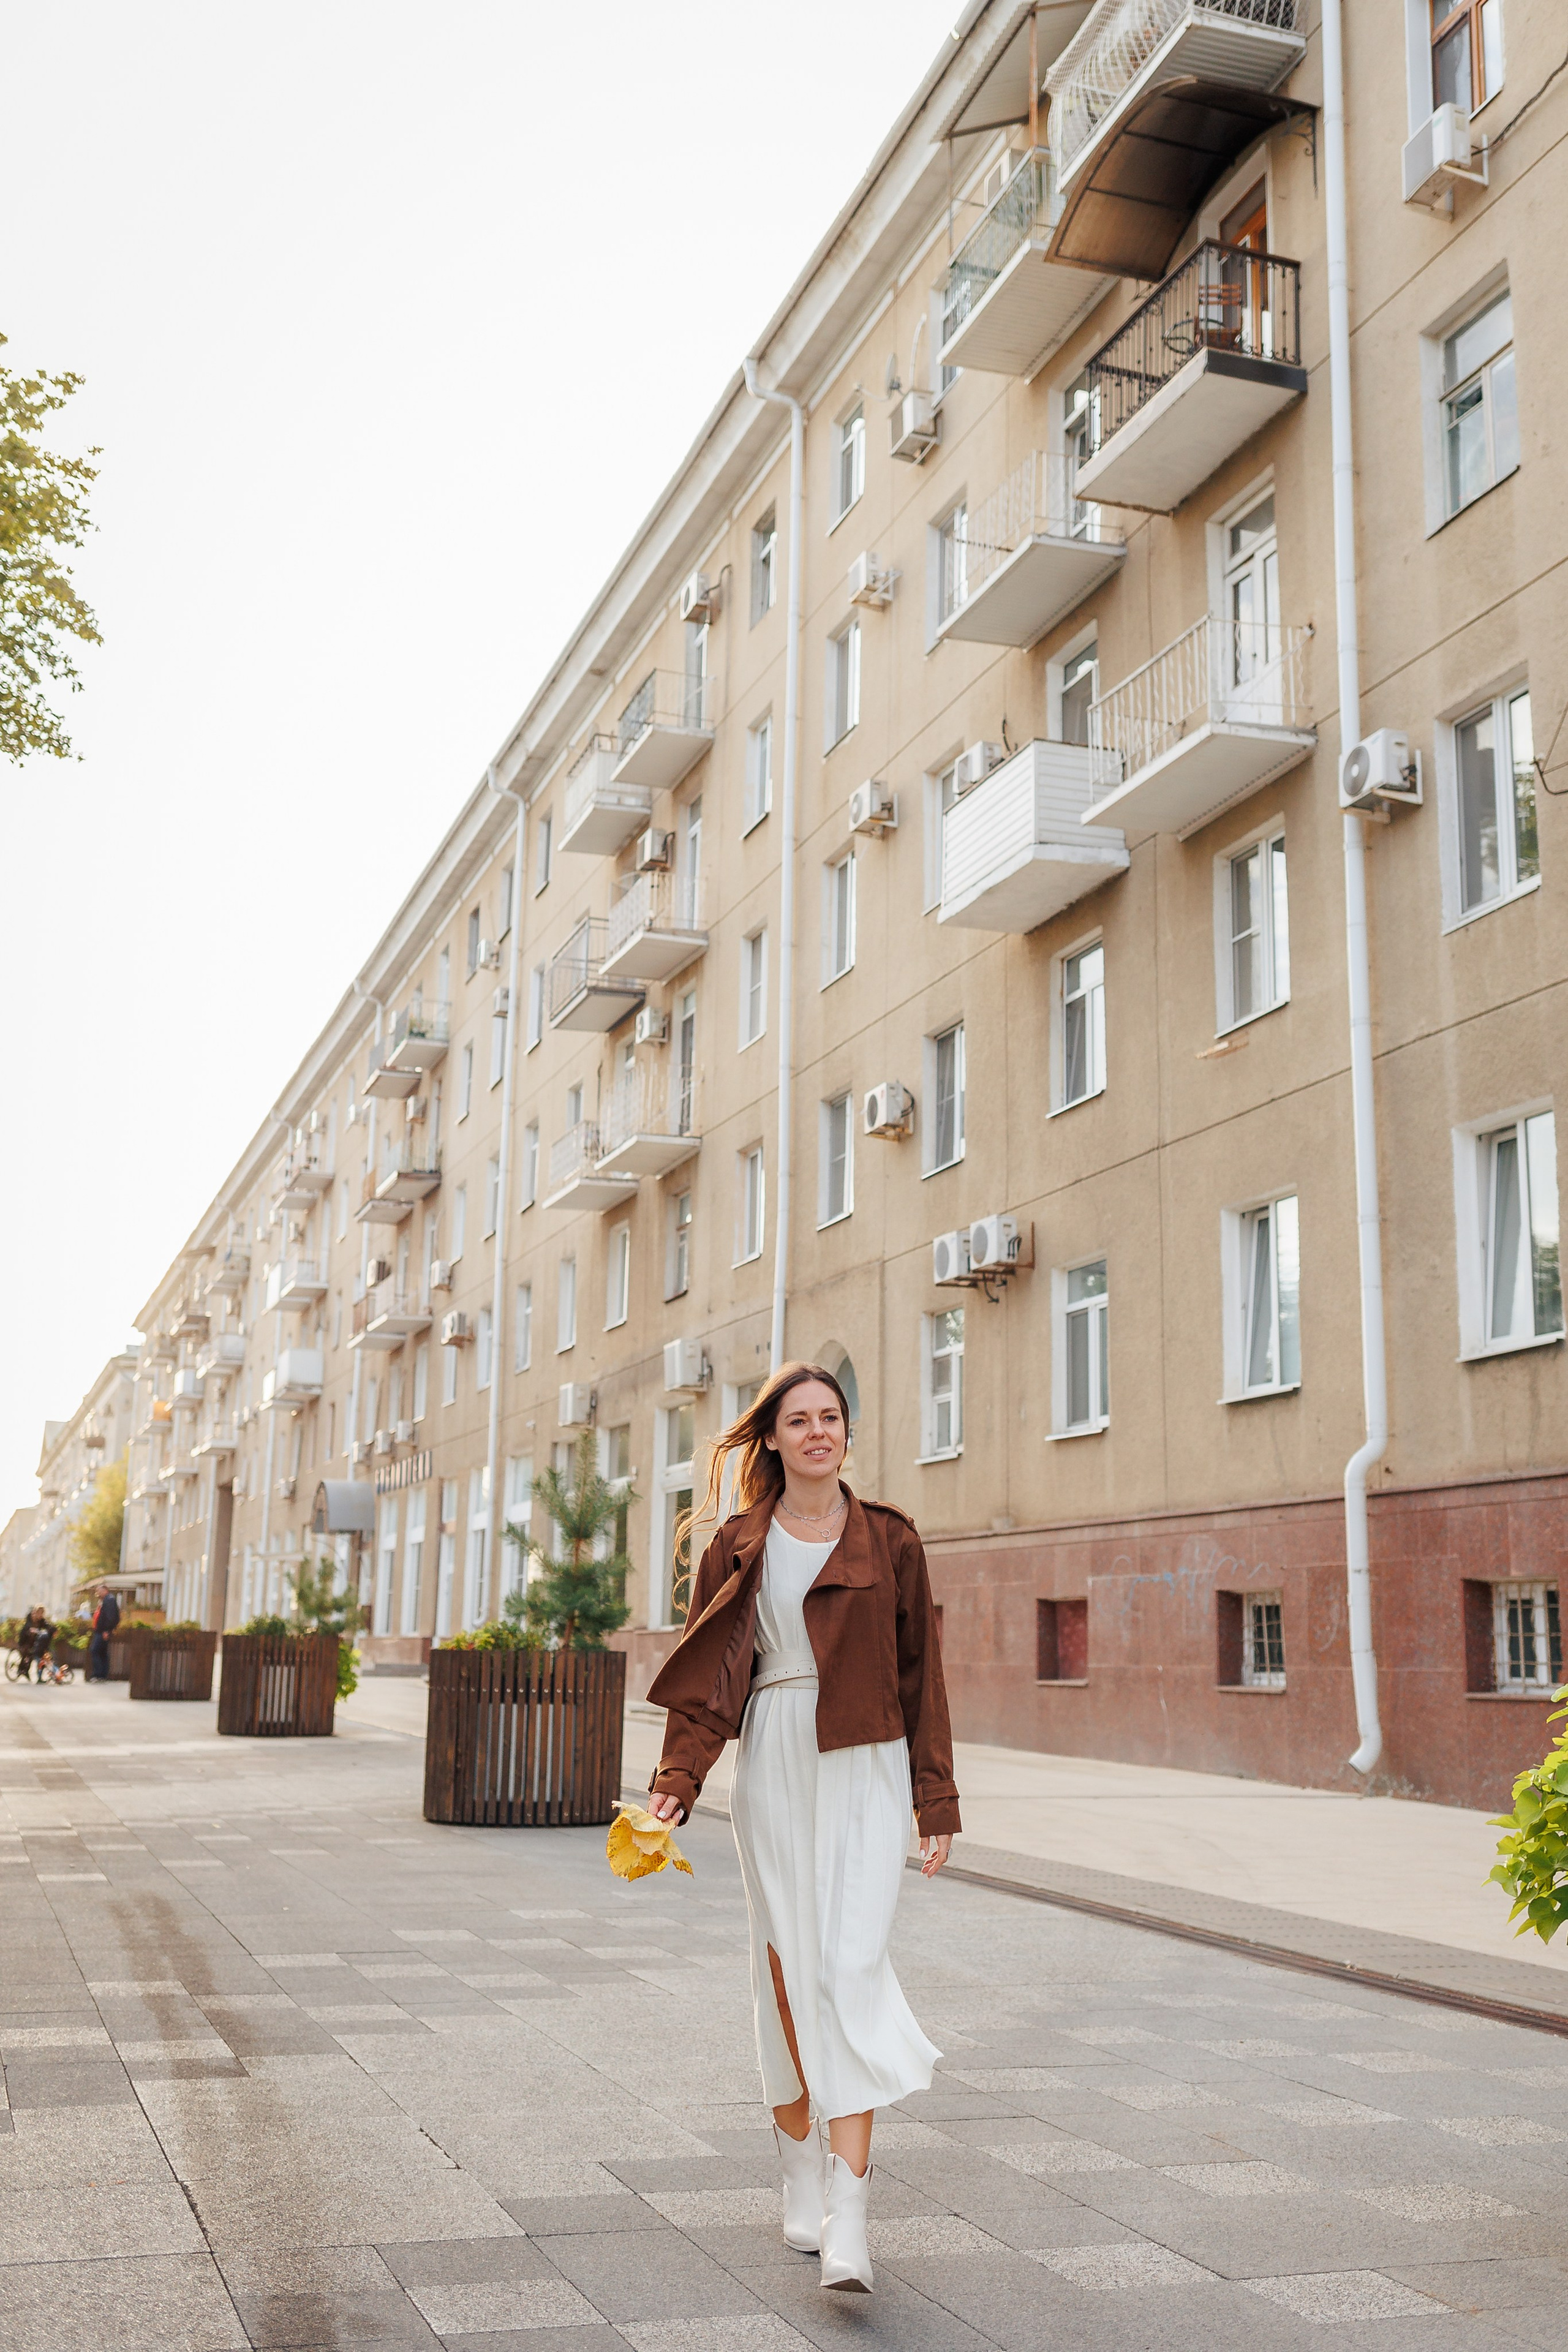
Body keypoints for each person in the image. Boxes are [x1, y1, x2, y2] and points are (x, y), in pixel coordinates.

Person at [646, 1362, 960, 2297]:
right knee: (786, 1971)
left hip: (866, 1762)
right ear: (773, 1438)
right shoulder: (739, 1543)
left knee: (849, 1970)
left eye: (832, 1417)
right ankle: (798, 2168)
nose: (819, 1431)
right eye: (800, 1419)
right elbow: (711, 1679)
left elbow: (923, 1678)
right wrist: (676, 1778)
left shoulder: (892, 1540)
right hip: (776, 1757)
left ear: (846, 1433)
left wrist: (932, 1801)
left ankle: (850, 2215)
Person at [88, 1584, 121, 1681]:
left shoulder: (109, 1600)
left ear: (105, 1590)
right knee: (102, 1653)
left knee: (95, 1650)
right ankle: (102, 1675)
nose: (98, 1593)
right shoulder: (106, 1600)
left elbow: (110, 1617)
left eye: (99, 1591)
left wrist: (107, 1630)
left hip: (103, 1631)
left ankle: (98, 1674)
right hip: (101, 1630)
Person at [18, 1606, 54, 1682]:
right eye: (39, 1613)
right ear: (36, 1612)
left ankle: (38, 1677)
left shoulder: (42, 1621)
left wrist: (53, 1630)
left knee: (39, 1655)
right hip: (25, 1641)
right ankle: (20, 1670)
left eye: (42, 1614)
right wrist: (30, 1631)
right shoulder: (29, 1619)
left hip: (36, 1642)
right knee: (26, 1653)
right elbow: (26, 1629)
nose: (41, 1615)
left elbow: (48, 1626)